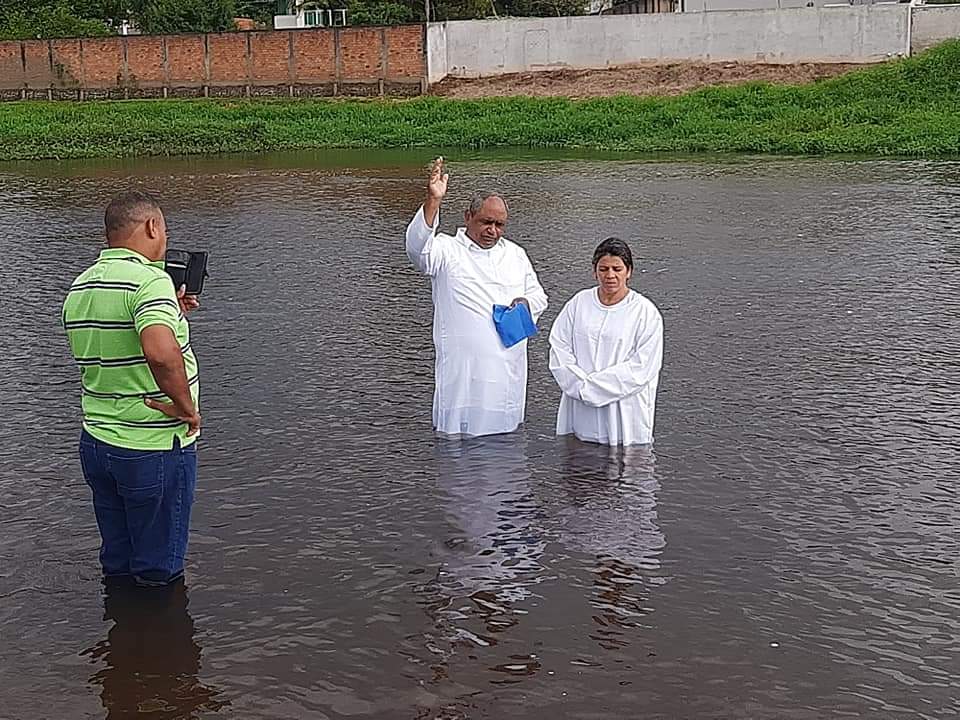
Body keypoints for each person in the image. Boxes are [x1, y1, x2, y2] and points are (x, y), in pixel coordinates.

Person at [62, 191, 202, 587]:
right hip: (150, 446)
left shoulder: (82, 284)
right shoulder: (150, 281)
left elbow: (115, 345)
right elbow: (160, 353)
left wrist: (171, 312)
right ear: (151, 226)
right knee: (159, 570)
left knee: (118, 561)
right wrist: (185, 406)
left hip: (97, 442)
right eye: (165, 231)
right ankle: (157, 643)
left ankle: (120, 636)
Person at [405, 157, 548, 437]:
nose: (493, 231)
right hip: (463, 378)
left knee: (507, 455)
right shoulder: (446, 251)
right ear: (468, 217)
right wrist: (432, 201)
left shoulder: (515, 254)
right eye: (486, 222)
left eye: (500, 224)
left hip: (507, 374)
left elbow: (539, 296)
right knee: (458, 454)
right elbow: (416, 249)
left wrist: (526, 304)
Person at [548, 238, 663, 446]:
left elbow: (642, 367)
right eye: (604, 269)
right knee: (578, 467)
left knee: (625, 467)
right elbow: (559, 347)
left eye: (617, 269)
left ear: (629, 271)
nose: (610, 275)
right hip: (580, 405)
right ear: (595, 272)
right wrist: (578, 385)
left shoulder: (645, 312)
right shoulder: (578, 303)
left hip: (623, 411)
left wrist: (592, 388)